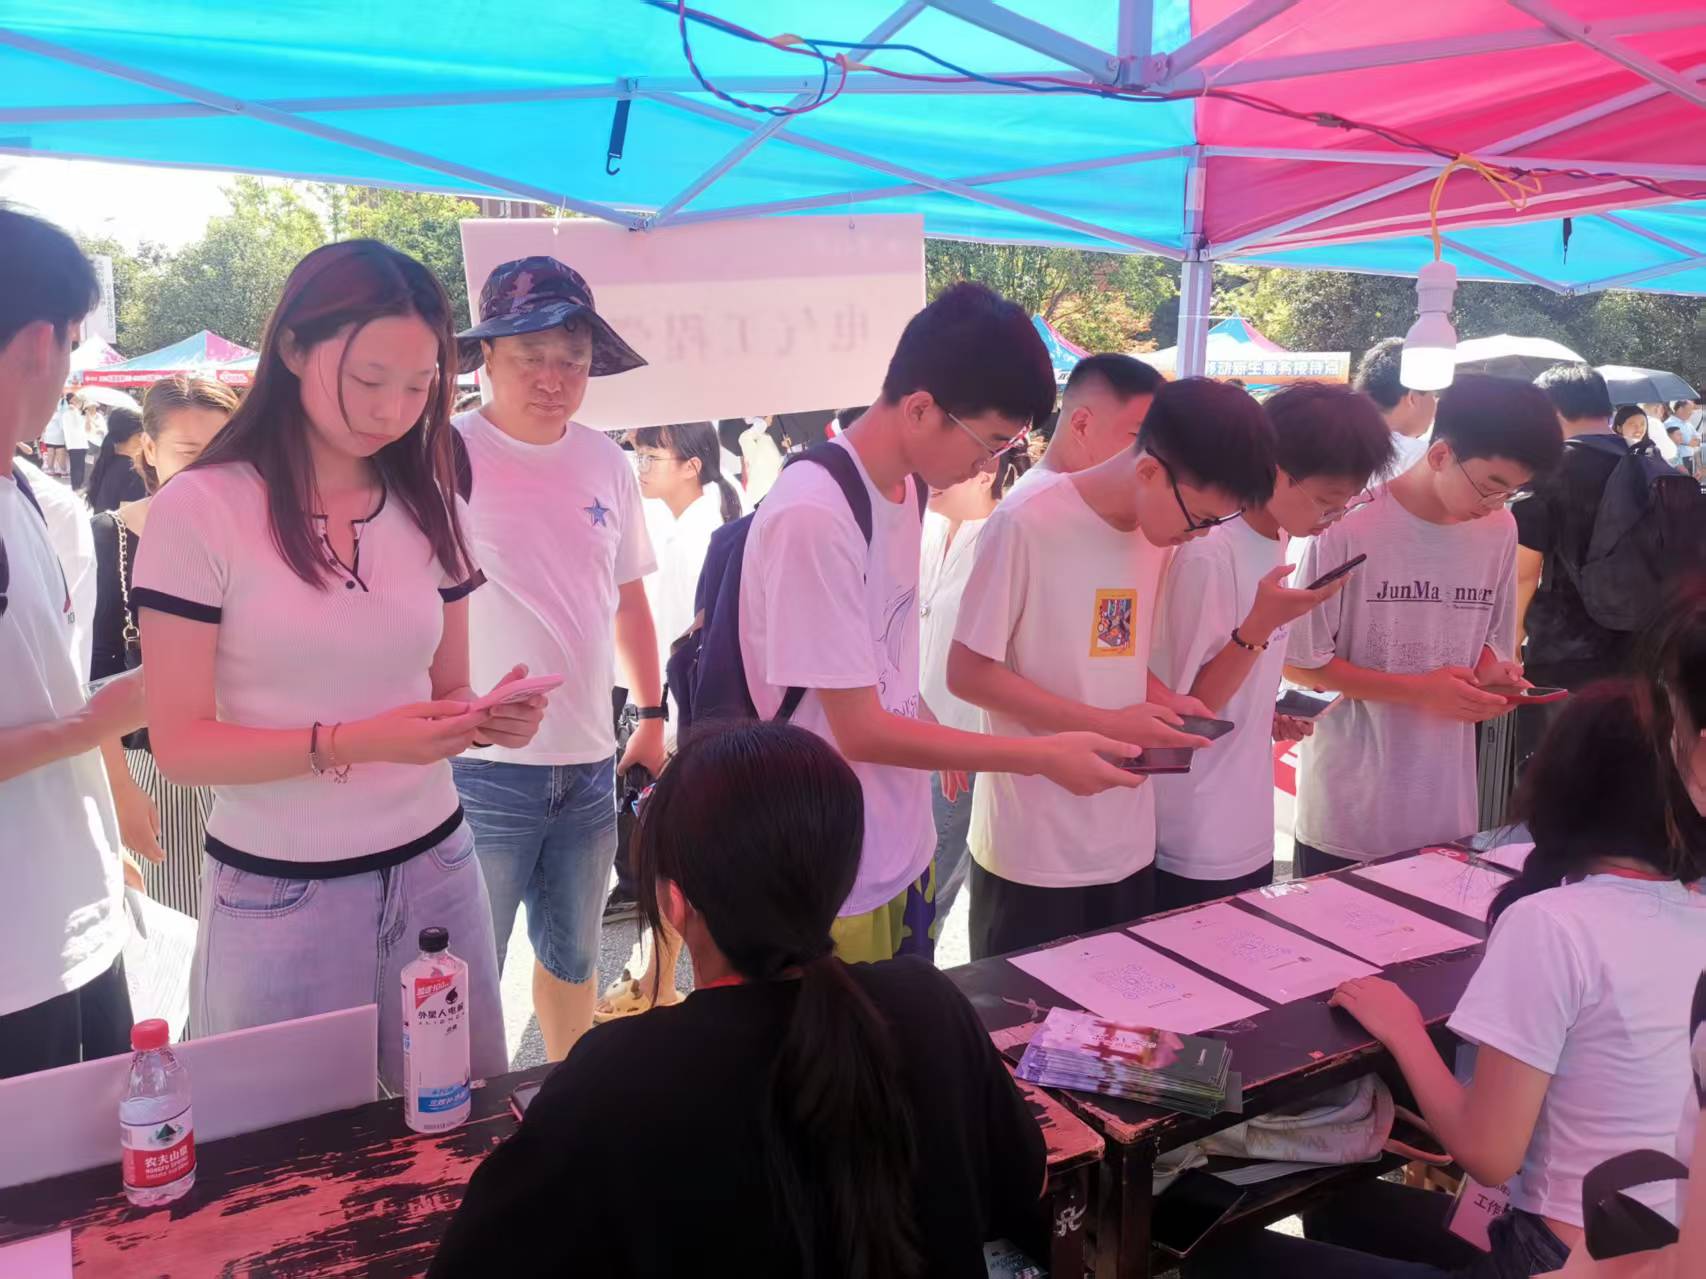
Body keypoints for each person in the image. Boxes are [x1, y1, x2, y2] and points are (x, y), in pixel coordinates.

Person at [133, 240, 547, 1093]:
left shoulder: (433, 501)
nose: (393, 409)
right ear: (292, 347)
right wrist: (355, 740)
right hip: (279, 892)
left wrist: (483, 720)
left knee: (462, 1129)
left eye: (420, 384)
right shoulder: (201, 510)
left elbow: (446, 692)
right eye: (369, 378)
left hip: (438, 868)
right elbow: (180, 745)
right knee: (291, 1155)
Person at [430, 721, 1049, 1279]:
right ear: (841, 876)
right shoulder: (927, 1003)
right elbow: (1026, 1182)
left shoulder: (615, 1077)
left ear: (675, 901)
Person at [1189, 679, 1706, 1279]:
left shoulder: (1553, 923)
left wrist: (1405, 1031)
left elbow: (1488, 1154)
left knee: (1225, 1255)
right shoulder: (1689, 907)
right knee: (1343, 1208)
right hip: (1654, 1248)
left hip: (1555, 1258)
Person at [738, 282, 1155, 964]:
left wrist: (930, 719)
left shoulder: (906, 489)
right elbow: (858, 729)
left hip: (901, 844)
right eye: (988, 441)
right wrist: (1043, 755)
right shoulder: (814, 513)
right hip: (831, 870)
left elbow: (884, 658)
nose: (990, 464)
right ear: (920, 408)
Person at [949, 378, 1278, 958]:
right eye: (1199, 518)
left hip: (1128, 841)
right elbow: (969, 673)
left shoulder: (1157, 537)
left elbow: (1111, 648)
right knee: (1025, 1016)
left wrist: (1163, 701)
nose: (1198, 536)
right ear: (1149, 470)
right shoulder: (1028, 520)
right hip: (1035, 850)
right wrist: (1105, 723)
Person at [449, 255, 663, 1061]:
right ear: (486, 356)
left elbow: (629, 597)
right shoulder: (443, 454)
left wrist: (652, 713)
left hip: (589, 759)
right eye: (530, 356)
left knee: (574, 956)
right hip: (480, 765)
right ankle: (462, 1114)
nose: (553, 378)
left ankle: (571, 1097)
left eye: (571, 360)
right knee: (461, 969)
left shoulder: (607, 460)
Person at [1283, 375, 1563, 875]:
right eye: (1490, 486)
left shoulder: (1500, 528)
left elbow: (1489, 642)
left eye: (1513, 492)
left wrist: (1493, 674)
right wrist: (1420, 692)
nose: (1495, 503)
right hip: (1351, 810)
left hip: (1447, 810)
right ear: (1440, 455)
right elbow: (1300, 664)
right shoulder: (1347, 524)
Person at [1151, 383, 1393, 911]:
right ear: (1277, 471)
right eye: (1327, 500)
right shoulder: (1208, 553)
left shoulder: (1276, 536)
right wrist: (1259, 628)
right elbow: (1184, 713)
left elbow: (1233, 683)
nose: (1336, 515)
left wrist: (1266, 712)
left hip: (1245, 814)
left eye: (1348, 501)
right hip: (1192, 828)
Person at [0, 206, 140, 1079]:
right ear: (40, 340)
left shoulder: (31, 494)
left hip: (71, 922)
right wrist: (98, 721)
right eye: (74, 346)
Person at [597, 419, 742, 1020]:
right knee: (668, 854)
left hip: (684, 715)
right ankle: (654, 976)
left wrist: (660, 719)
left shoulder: (709, 527)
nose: (641, 468)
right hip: (662, 708)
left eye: (652, 457)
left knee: (679, 857)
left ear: (692, 465)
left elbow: (690, 640)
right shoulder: (666, 516)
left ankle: (662, 981)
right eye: (639, 455)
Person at [90, 376, 239, 919]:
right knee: (178, 928)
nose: (210, 471)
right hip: (156, 772)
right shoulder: (110, 537)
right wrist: (120, 788)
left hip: (253, 762)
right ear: (149, 450)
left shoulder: (257, 533)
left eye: (226, 451)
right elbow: (93, 677)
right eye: (190, 453)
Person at [917, 450, 1029, 935]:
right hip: (911, 732)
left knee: (931, 890)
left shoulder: (1002, 540)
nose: (931, 478)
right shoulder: (929, 529)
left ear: (986, 473)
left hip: (962, 743)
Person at [1514, 365, 1636, 767]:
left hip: (1563, 654)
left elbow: (1524, 574)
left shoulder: (1548, 473)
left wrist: (1508, 646)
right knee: (1628, 774)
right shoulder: (1650, 466)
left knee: (1557, 775)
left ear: (1551, 411)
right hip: (1644, 655)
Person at [1004, 352, 1159, 499]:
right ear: (1082, 424)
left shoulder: (1103, 497)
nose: (1153, 451)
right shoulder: (1033, 507)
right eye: (1139, 435)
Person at [1355, 337, 1438, 483]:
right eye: (1433, 395)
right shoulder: (1420, 456)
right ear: (1413, 398)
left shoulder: (1342, 442)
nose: (1435, 403)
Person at [84, 405, 148, 513]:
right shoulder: (132, 472)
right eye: (143, 434)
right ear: (136, 435)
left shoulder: (107, 462)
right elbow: (129, 518)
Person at [1666, 399, 1698, 477]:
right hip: (1678, 461)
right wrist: (1689, 442)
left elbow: (1698, 440)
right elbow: (1689, 442)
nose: (1692, 412)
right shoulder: (1670, 423)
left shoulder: (1688, 424)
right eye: (1690, 409)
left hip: (1691, 458)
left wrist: (1691, 442)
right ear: (1680, 409)